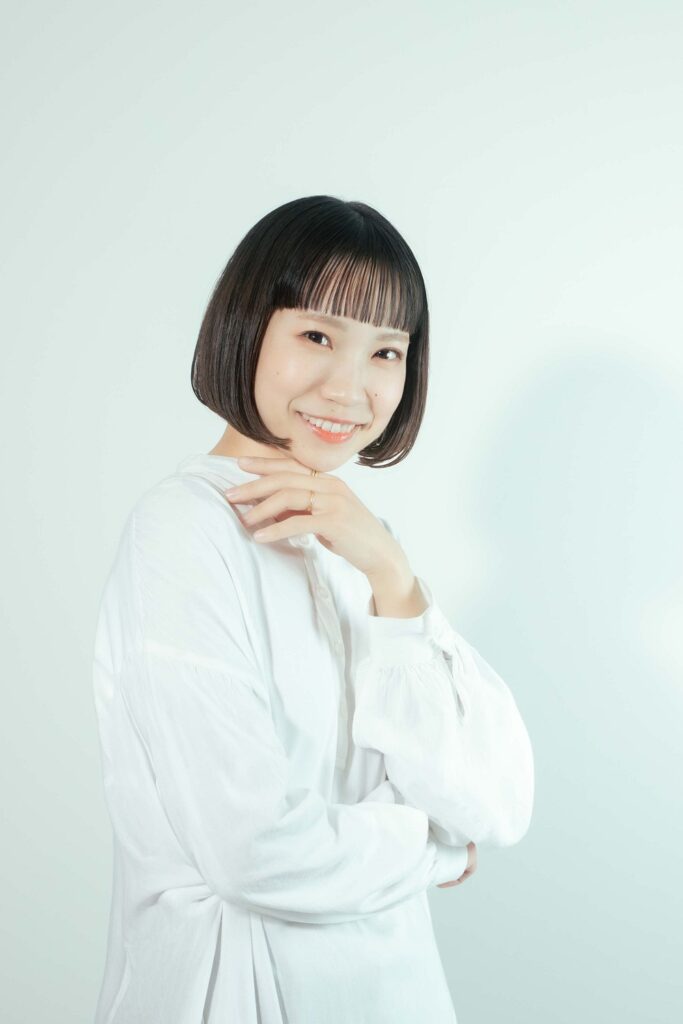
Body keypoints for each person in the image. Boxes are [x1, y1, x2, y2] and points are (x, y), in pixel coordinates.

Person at [92, 195, 535, 1023]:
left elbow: (495, 801)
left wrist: (393, 576)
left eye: (386, 351)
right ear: (246, 326)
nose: (350, 388)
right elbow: (253, 850)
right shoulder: (184, 528)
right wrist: (434, 850)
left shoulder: (361, 544)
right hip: (237, 992)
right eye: (317, 337)